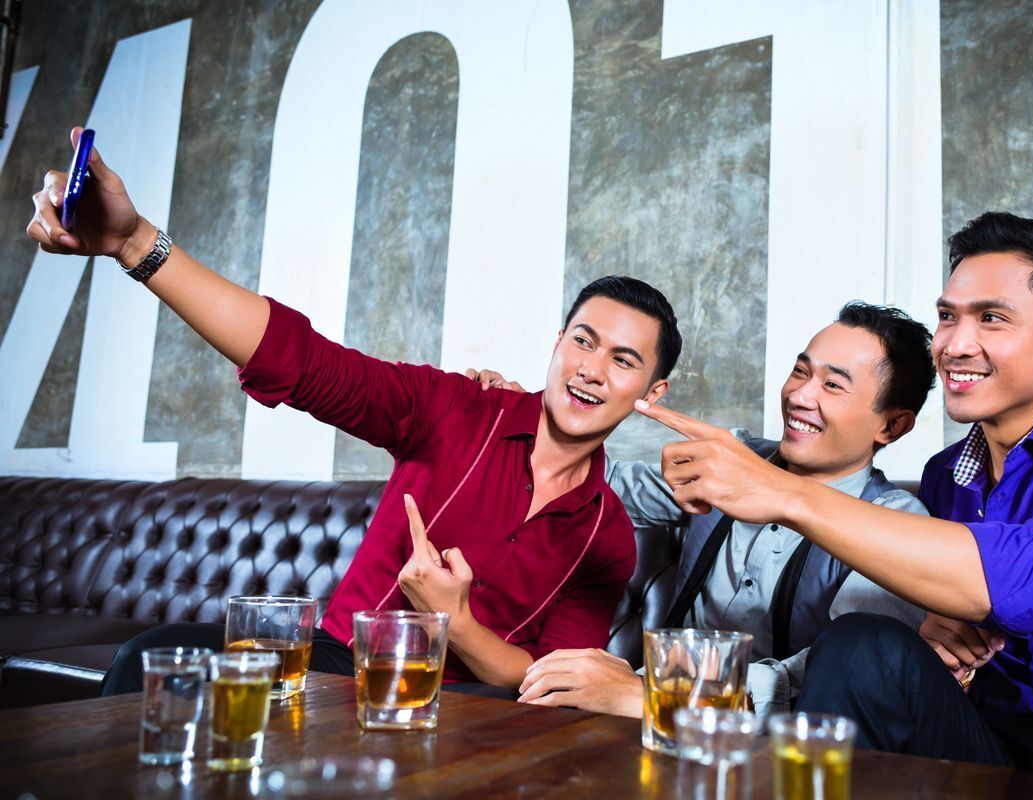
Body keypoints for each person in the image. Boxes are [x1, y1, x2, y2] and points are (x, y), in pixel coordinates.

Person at [26, 127, 683, 696]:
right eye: (583, 341)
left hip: (471, 710)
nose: (592, 370)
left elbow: (547, 676)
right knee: (152, 655)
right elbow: (303, 362)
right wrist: (135, 242)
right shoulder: (455, 407)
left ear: (651, 393)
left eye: (624, 361)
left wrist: (455, 621)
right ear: (558, 343)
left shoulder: (607, 537)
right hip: (339, 664)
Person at [632, 212, 1033, 797]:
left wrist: (780, 491)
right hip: (988, 747)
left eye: (992, 319)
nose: (955, 345)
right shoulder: (946, 477)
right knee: (864, 641)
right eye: (948, 317)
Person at [469, 302, 937, 719]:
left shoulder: (899, 525)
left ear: (892, 426)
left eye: (833, 385)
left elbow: (835, 678)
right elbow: (596, 485)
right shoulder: (730, 460)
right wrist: (526, 415)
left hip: (770, 740)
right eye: (800, 371)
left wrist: (652, 695)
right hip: (637, 708)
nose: (800, 396)